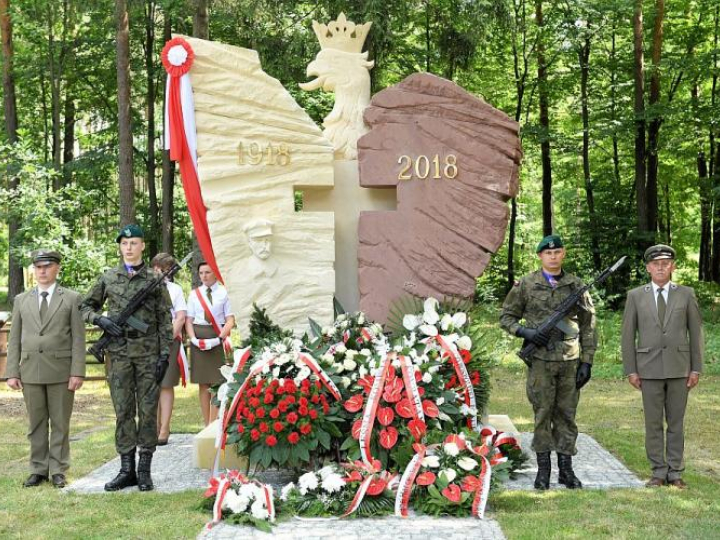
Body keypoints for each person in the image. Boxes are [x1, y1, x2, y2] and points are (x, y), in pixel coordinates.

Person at [500, 234, 597, 490]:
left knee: (567, 415)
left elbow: (589, 326)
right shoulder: (526, 284)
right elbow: (507, 317)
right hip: (540, 361)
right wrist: (526, 333)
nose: (553, 256)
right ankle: (543, 471)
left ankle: (566, 471)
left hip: (569, 361)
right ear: (540, 256)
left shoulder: (576, 285)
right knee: (542, 414)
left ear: (563, 254)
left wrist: (586, 362)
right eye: (548, 253)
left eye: (557, 252)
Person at [80, 224, 173, 492]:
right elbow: (85, 306)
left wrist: (164, 354)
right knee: (123, 411)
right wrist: (101, 320)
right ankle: (126, 470)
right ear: (120, 247)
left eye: (134, 243)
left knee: (147, 413)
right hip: (118, 355)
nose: (129, 247)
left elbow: (165, 319)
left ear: (143, 246)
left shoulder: (155, 279)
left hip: (148, 356)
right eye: (124, 243)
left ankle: (144, 471)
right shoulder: (108, 278)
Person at [621, 244, 703, 489]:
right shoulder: (635, 295)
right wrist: (631, 369)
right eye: (655, 264)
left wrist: (696, 368)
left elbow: (696, 332)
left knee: (676, 423)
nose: (660, 267)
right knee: (653, 423)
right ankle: (658, 471)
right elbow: (627, 335)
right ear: (648, 267)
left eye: (665, 263)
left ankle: (675, 472)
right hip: (648, 369)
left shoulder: (686, 294)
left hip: (680, 368)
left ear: (673, 266)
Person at [6, 250, 86, 488]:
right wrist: (12, 371)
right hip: (30, 370)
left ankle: (58, 469)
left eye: (47, 266)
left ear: (57, 268)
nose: (42, 271)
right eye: (38, 267)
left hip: (61, 370)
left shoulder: (71, 298)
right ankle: (38, 468)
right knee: (36, 423)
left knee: (60, 422)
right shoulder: (22, 299)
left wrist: (77, 371)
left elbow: (78, 339)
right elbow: (15, 336)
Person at [185, 261, 235, 426]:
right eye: (201, 273)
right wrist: (193, 339)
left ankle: (215, 423)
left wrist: (219, 338)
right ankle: (206, 423)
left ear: (215, 273)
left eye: (207, 272)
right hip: (199, 337)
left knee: (217, 382)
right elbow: (189, 320)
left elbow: (230, 320)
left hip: (217, 336)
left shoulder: (224, 292)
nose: (204, 276)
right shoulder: (194, 294)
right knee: (203, 382)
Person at [150, 253, 188, 445]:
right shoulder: (147, 288)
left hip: (169, 342)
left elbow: (180, 317)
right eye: (158, 268)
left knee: (165, 384)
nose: (162, 272)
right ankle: (152, 427)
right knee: (151, 385)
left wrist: (165, 339)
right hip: (149, 342)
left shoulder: (175, 290)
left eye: (166, 269)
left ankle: (164, 428)